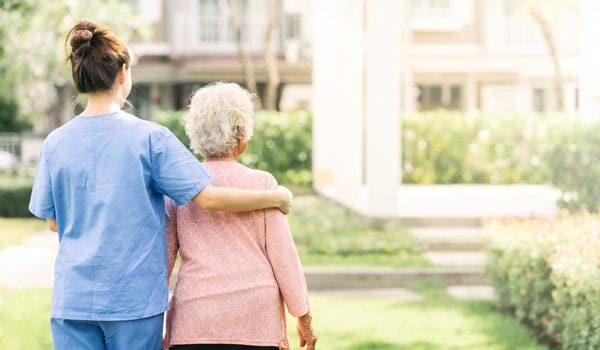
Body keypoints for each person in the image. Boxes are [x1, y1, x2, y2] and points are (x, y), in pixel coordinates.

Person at [28, 19, 292, 350]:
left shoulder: (55, 142)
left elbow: (54, 222)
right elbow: (209, 198)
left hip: (73, 301)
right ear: (122, 73)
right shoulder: (150, 139)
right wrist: (274, 197)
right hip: (133, 304)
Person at [164, 82, 317, 350]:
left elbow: (162, 260)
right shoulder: (263, 185)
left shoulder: (180, 188)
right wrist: (303, 315)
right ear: (240, 134)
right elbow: (284, 258)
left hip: (195, 320)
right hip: (256, 321)